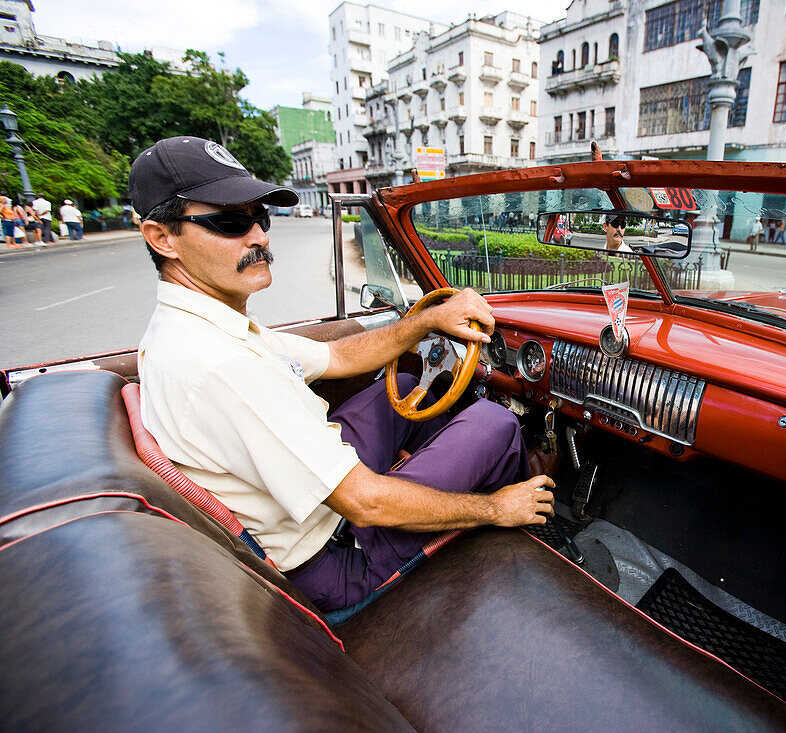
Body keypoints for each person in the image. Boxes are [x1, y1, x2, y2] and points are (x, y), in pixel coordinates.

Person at [131, 136, 555, 613]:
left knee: (405, 387)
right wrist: (495, 509)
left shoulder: (198, 326)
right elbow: (365, 504)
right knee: (494, 424)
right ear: (162, 238)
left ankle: (462, 475)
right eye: (230, 222)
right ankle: (525, 510)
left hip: (314, 497)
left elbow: (334, 358)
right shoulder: (220, 366)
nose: (260, 238)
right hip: (339, 555)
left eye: (260, 218)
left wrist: (424, 322)